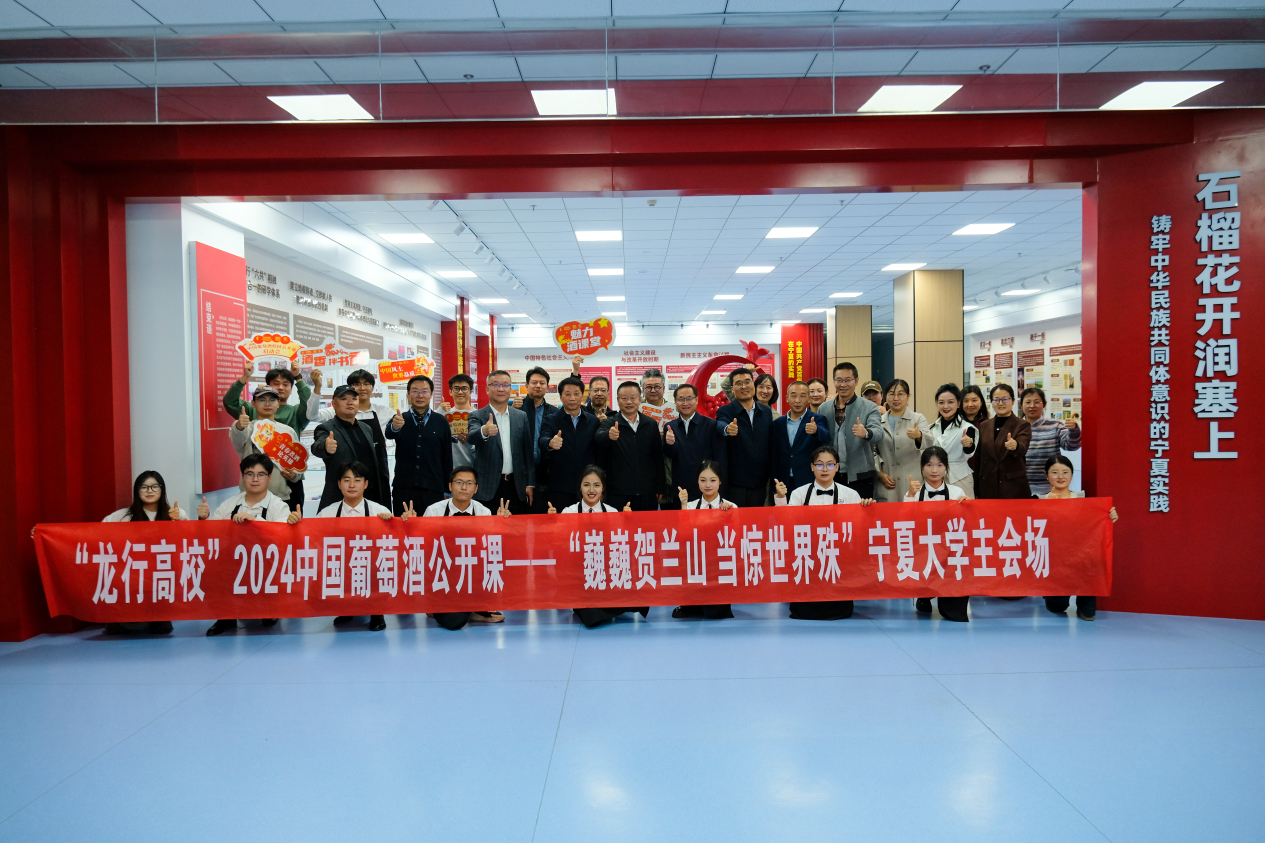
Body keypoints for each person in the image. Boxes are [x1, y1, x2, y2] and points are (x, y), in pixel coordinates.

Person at [203, 454, 301, 637]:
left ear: (269, 477)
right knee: (216, 566)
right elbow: (211, 534)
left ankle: (270, 609)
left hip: (266, 563)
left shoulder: (278, 506)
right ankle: (225, 616)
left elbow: (282, 538)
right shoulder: (229, 504)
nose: (255, 479)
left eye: (260, 474)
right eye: (250, 474)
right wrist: (203, 519)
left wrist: (254, 521)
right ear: (243, 477)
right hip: (234, 563)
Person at [774, 445, 875, 620]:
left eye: (830, 464)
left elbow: (860, 529)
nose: (825, 469)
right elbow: (785, 523)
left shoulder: (851, 495)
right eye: (819, 464)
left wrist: (867, 510)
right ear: (812, 467)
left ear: (837, 467)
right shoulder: (799, 494)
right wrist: (781, 498)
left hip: (839, 555)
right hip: (808, 555)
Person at [546, 466, 647, 629]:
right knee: (590, 615)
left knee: (642, 596)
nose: (591, 490)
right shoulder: (569, 512)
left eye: (597, 485)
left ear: (603, 488)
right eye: (586, 485)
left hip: (606, 578)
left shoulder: (612, 513)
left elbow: (623, 548)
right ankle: (611, 607)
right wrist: (552, 524)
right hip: (580, 580)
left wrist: (627, 523)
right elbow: (558, 547)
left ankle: (609, 606)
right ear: (580, 487)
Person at [317, 461, 404, 632]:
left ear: (365, 484)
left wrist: (392, 525)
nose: (351, 485)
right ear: (339, 484)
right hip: (342, 566)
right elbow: (315, 544)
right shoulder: (326, 513)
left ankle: (376, 612)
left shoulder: (379, 511)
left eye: (357, 480)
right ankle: (346, 608)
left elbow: (394, 547)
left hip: (370, 567)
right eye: (346, 480)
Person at [422, 467, 512, 630]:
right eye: (459, 482)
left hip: (471, 575)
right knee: (453, 622)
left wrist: (501, 526)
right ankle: (469, 609)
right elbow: (425, 549)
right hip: (444, 577)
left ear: (476, 488)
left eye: (469, 483)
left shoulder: (484, 512)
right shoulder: (434, 511)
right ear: (450, 486)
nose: (464, 487)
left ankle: (473, 607)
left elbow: (491, 550)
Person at [102, 471, 184, 635]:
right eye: (144, 487)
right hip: (133, 576)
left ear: (162, 489)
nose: (149, 491)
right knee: (132, 624)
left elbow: (190, 539)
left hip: (161, 575)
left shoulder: (173, 514)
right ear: (137, 490)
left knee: (161, 627)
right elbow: (96, 533)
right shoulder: (123, 516)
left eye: (154, 486)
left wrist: (182, 516)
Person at [1039, 455, 1117, 621]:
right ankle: (1050, 595)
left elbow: (1096, 524)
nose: (1061, 476)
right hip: (1054, 560)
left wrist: (1110, 515)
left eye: (1065, 472)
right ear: (1046, 475)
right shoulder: (1037, 501)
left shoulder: (1084, 499)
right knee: (1057, 607)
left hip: (1081, 558)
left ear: (1072, 474)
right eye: (1055, 472)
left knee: (1088, 613)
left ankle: (1084, 603)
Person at [904, 446, 971, 622]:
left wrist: (968, 506)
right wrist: (910, 495)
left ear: (946, 467)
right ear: (922, 467)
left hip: (950, 549)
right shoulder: (915, 493)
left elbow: (965, 523)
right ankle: (923, 596)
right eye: (929, 465)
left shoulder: (957, 492)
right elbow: (905, 521)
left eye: (939, 465)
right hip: (923, 548)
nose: (934, 470)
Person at [671, 460, 736, 621]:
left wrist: (728, 517)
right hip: (696, 566)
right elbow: (683, 536)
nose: (708, 485)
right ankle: (693, 601)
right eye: (703, 480)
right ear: (697, 481)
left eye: (712, 480)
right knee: (682, 612)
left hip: (719, 569)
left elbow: (736, 541)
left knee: (715, 614)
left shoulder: (730, 507)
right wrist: (683, 505)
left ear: (720, 481)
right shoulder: (690, 506)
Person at [466, 369, 535, 515]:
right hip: (487, 487)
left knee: (517, 527)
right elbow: (471, 437)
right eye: (496, 385)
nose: (501, 389)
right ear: (487, 389)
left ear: (510, 389)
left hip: (516, 485)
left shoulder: (521, 416)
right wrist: (484, 431)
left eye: (505, 385)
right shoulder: (477, 415)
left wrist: (530, 483)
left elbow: (527, 453)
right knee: (487, 527)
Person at [314, 385, 393, 512]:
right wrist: (325, 446)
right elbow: (317, 447)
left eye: (354, 399)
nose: (350, 402)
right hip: (342, 496)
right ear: (334, 403)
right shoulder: (326, 428)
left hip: (370, 494)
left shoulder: (366, 428)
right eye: (344, 399)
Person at [228, 383, 304, 510]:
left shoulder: (288, 431)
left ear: (278, 403)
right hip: (250, 499)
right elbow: (238, 438)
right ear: (253, 403)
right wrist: (239, 426)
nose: (268, 404)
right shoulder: (247, 429)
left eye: (272, 400)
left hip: (281, 498)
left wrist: (294, 476)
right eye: (262, 400)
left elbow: (297, 464)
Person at [380, 376, 447, 515]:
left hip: (433, 488)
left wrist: (447, 490)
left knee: (432, 527)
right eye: (415, 391)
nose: (420, 395)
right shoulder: (400, 419)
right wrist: (395, 427)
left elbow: (447, 457)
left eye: (424, 391)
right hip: (403, 489)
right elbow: (389, 433)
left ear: (431, 394)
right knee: (403, 526)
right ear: (408, 394)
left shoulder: (441, 421)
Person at [596, 381, 667, 511]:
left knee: (647, 523)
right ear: (618, 401)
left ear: (640, 400)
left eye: (633, 398)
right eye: (624, 398)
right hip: (618, 492)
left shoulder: (650, 424)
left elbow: (658, 457)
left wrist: (660, 486)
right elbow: (598, 437)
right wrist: (608, 435)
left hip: (647, 492)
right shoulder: (610, 423)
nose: (629, 402)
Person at [539, 376, 602, 512]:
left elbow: (599, 451)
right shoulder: (551, 420)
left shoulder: (593, 421)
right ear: (561, 396)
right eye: (567, 394)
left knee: (588, 522)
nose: (572, 398)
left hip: (588, 487)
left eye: (576, 394)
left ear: (582, 395)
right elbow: (542, 440)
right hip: (560, 486)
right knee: (561, 522)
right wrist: (550, 442)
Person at [824, 362, 886, 499]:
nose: (843, 384)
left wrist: (866, 433)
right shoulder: (824, 408)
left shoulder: (869, 407)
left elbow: (879, 433)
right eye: (839, 380)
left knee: (860, 512)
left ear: (856, 381)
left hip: (861, 475)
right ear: (833, 381)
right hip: (831, 474)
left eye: (848, 380)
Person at [714, 368, 774, 507]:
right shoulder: (725, 411)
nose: (744, 386)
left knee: (757, 519)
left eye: (747, 382)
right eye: (738, 383)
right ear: (732, 389)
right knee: (735, 519)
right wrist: (727, 429)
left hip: (760, 482)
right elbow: (720, 424)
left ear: (753, 384)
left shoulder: (766, 411)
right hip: (735, 484)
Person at [663, 383, 727, 501]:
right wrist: (669, 444)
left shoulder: (711, 425)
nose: (685, 403)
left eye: (689, 398)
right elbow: (670, 455)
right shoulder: (670, 427)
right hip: (680, 489)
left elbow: (720, 459)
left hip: (706, 489)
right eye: (681, 399)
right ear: (675, 401)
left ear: (696, 400)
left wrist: (720, 491)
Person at [872, 378, 931, 503]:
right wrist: (879, 473)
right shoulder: (878, 421)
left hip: (912, 482)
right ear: (885, 396)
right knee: (888, 514)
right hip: (886, 482)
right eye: (891, 394)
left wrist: (919, 435)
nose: (896, 398)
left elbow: (930, 442)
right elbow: (872, 451)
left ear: (908, 396)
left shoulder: (917, 418)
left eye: (900, 394)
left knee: (912, 513)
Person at [770, 380, 830, 494]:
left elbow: (826, 436)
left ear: (809, 398)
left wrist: (816, 431)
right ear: (787, 398)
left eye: (802, 396)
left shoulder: (818, 419)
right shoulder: (778, 423)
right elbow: (774, 454)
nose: (797, 400)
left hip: (808, 480)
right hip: (783, 482)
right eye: (793, 396)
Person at [1020, 387, 1082, 496]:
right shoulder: (1016, 427)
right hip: (1021, 485)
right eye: (1028, 402)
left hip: (1050, 486)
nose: (1032, 406)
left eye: (1036, 402)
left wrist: (1073, 430)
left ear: (1044, 404)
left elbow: (1072, 446)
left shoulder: (1055, 425)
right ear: (1021, 405)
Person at [975, 383, 1032, 500]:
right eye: (996, 399)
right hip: (987, 486)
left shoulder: (1022, 424)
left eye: (1005, 399)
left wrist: (1015, 445)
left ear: (1013, 401)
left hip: (1012, 487)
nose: (1000, 403)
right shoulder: (984, 425)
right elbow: (978, 457)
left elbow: (1023, 447)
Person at [223, 358, 312, 432]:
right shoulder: (253, 408)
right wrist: (245, 376)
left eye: (285, 384)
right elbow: (230, 402)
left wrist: (297, 377)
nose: (281, 387)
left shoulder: (297, 413)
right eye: (276, 383)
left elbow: (309, 403)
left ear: (291, 389)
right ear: (268, 386)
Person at [515, 366, 557, 512]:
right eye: (534, 382)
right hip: (520, 470)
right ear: (527, 386)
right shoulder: (516, 409)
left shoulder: (554, 412)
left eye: (542, 383)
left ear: (547, 387)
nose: (538, 386)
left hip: (545, 471)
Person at [926, 383, 979, 499]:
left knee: (963, 509)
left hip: (960, 478)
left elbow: (969, 450)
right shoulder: (931, 428)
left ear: (959, 403)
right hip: (935, 478)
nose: (945, 406)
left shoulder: (967, 428)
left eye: (950, 402)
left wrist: (968, 443)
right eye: (941, 402)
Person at [308, 367, 392, 438]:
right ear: (349, 388)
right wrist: (317, 387)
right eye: (357, 384)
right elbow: (312, 416)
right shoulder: (337, 411)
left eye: (366, 384)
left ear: (373, 387)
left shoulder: (385, 412)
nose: (362, 388)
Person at [440, 373, 477, 470]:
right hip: (448, 471)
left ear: (471, 392)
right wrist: (439, 411)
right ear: (450, 391)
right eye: (456, 388)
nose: (460, 392)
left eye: (464, 388)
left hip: (473, 470)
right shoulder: (443, 415)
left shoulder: (479, 416)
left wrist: (468, 442)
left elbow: (484, 451)